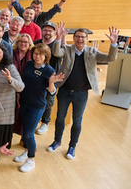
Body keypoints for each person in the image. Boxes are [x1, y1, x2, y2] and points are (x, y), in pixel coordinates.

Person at [47, 24, 119, 159]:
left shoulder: (93, 52)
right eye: (77, 36)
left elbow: (110, 58)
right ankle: (57, 141)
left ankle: (72, 146)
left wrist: (114, 44)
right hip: (65, 90)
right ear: (73, 38)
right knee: (60, 117)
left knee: (77, 121)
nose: (80, 39)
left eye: (83, 37)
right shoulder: (67, 49)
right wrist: (58, 38)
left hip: (81, 93)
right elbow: (57, 53)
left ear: (87, 39)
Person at [15, 44, 64, 172]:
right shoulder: (29, 64)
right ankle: (27, 151)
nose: (37, 56)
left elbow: (52, 92)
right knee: (25, 130)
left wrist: (52, 82)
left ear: (46, 56)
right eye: (36, 53)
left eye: (41, 54)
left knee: (29, 133)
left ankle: (31, 159)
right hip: (24, 102)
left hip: (36, 106)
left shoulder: (49, 70)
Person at [34, 21, 65, 135]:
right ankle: (36, 119)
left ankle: (45, 122)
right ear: (42, 31)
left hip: (51, 78)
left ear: (54, 32)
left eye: (50, 30)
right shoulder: (36, 43)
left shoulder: (57, 45)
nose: (47, 32)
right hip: (37, 75)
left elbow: (59, 54)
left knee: (48, 101)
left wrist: (61, 39)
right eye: (45, 30)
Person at [6, 0, 71, 28]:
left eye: (37, 8)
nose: (35, 9)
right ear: (30, 7)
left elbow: (54, 10)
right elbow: (16, 4)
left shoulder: (43, 16)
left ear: (41, 9)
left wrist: (63, 1)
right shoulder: (25, 13)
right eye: (33, 7)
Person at [11, 33, 34, 137]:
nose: (23, 44)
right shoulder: (12, 53)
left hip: (27, 88)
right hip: (12, 86)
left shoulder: (33, 55)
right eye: (21, 41)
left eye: (26, 42)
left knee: (24, 113)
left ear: (29, 44)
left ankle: (24, 137)